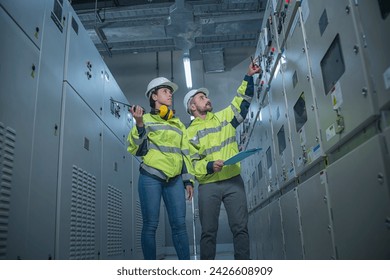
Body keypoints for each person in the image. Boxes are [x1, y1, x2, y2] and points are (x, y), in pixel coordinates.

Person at [183, 61, 261, 260]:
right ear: (193, 106)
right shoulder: (189, 133)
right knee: (208, 233)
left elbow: (242, 102)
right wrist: (209, 166)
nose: (207, 99)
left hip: (234, 181)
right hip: (209, 185)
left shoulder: (224, 117)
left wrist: (248, 76)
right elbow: (192, 164)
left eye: (206, 96)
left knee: (240, 228)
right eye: (202, 97)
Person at [127, 77, 194, 260]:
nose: (170, 93)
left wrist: (188, 180)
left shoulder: (178, 123)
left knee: (180, 225)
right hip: (151, 176)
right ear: (154, 96)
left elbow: (185, 153)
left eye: (170, 91)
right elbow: (135, 148)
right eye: (165, 91)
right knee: (150, 225)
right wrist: (139, 124)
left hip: (174, 180)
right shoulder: (145, 119)